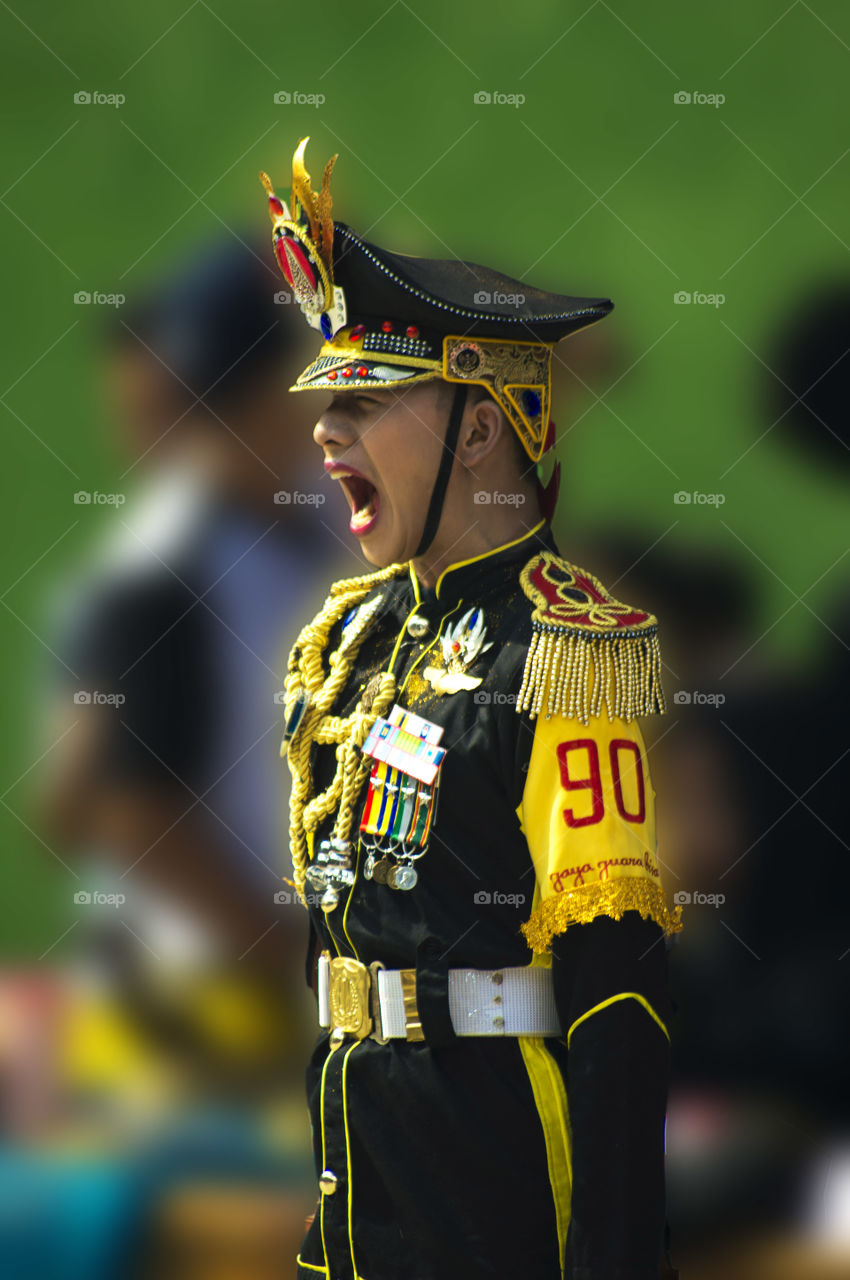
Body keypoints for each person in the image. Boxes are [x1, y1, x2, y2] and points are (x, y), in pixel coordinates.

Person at [261, 138, 684, 1280]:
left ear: (485, 427)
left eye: (371, 399)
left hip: (496, 1197)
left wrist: (619, 1261)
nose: (323, 432)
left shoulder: (567, 652)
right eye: (327, 401)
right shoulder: (347, 640)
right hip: (357, 1182)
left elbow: (616, 1000)